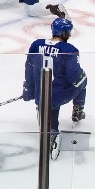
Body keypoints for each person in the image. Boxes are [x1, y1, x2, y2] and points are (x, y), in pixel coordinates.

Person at [23, 17, 88, 155]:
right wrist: (80, 77)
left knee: (48, 107)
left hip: (41, 95)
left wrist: (29, 88)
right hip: (58, 94)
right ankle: (78, 110)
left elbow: (29, 67)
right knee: (83, 79)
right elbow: (73, 76)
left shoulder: (36, 44)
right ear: (66, 33)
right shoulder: (69, 50)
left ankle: (51, 129)